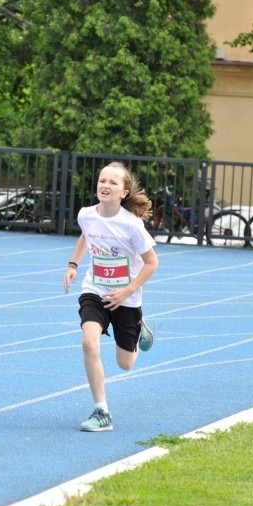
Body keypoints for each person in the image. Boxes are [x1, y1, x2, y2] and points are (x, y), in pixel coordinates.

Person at [63, 162, 159, 432]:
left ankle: (139, 329)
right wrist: (73, 264)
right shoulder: (86, 215)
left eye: (113, 182)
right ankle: (101, 411)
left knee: (125, 363)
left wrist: (128, 291)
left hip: (126, 298)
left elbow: (152, 263)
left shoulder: (132, 226)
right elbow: (87, 234)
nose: (105, 185)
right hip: (94, 289)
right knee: (89, 342)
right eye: (102, 180)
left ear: (124, 192)